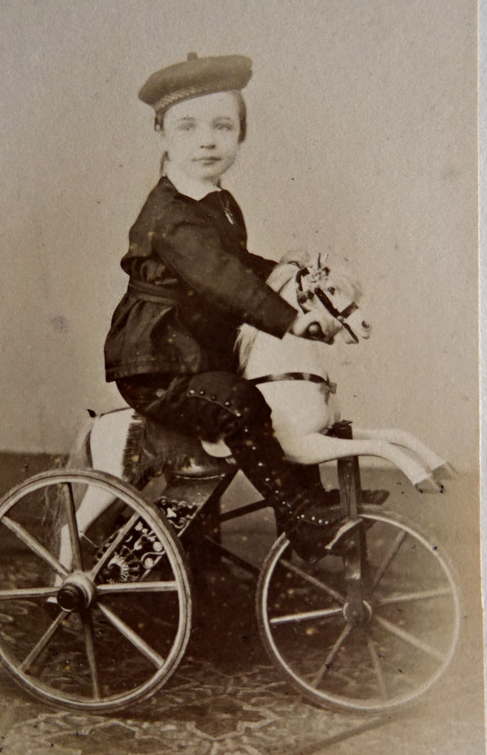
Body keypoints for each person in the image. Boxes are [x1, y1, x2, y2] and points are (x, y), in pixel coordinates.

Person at [104, 52, 343, 560]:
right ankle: (299, 512)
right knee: (241, 403)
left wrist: (285, 267)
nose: (207, 140)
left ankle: (308, 510)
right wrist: (293, 320)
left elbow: (235, 261)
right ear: (163, 136)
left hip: (198, 354)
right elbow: (222, 279)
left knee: (279, 399)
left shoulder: (217, 201)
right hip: (159, 364)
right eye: (188, 127)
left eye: (223, 126)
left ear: (241, 136)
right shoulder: (171, 216)